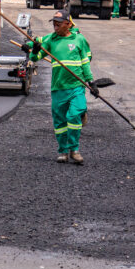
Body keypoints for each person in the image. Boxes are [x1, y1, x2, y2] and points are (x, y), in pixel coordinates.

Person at [28, 9, 97, 165]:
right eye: (54, 23)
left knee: (73, 116)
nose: (55, 26)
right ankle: (63, 151)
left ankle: (74, 150)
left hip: (76, 86)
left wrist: (91, 82)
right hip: (58, 88)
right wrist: (36, 49)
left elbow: (85, 63)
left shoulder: (79, 39)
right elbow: (35, 58)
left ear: (68, 24)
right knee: (60, 122)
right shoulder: (51, 40)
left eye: (58, 23)